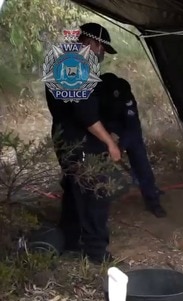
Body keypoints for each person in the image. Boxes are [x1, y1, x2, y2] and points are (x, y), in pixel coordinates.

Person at [46, 22, 120, 264]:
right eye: (102, 49)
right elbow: (86, 114)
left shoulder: (60, 63)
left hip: (64, 138)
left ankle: (70, 241)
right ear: (94, 43)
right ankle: (97, 253)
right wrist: (110, 142)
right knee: (94, 195)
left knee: (74, 190)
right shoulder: (79, 68)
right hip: (81, 144)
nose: (102, 56)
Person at [98, 72, 167, 218]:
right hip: (106, 131)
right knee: (100, 168)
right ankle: (99, 207)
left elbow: (132, 123)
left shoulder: (124, 90)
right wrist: (109, 141)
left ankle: (153, 201)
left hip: (129, 128)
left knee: (142, 165)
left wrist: (120, 146)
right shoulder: (96, 94)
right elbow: (95, 121)